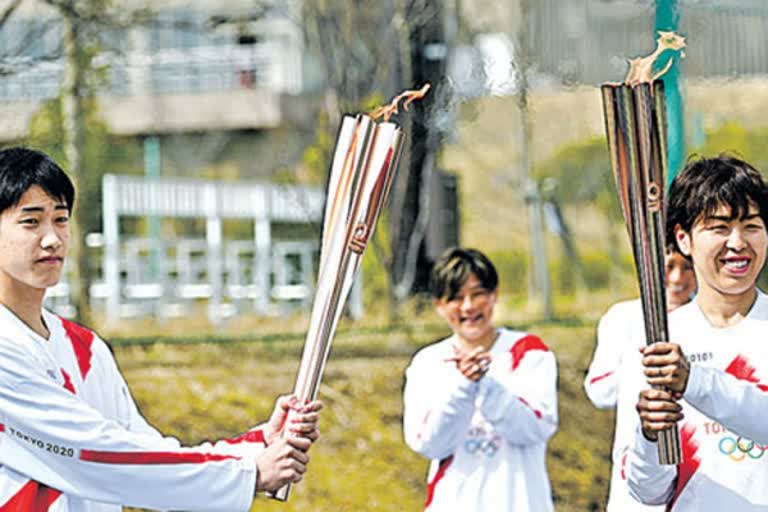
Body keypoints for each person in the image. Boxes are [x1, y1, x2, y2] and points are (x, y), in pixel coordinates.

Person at [0, 147, 322, 511]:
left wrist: (258, 442)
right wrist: (246, 473)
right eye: (31, 222)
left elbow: (144, 452)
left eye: (60, 220)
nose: (52, 239)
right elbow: (95, 454)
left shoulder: (85, 350)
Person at [626, 155, 768, 510]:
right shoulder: (660, 341)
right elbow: (649, 491)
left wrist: (694, 382)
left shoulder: (677, 363)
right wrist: (649, 434)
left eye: (751, 225)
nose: (737, 243)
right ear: (684, 239)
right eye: (719, 227)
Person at [402, 247, 558, 511]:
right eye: (456, 298)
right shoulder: (428, 363)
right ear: (439, 305)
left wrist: (485, 385)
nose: (468, 307)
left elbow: (535, 428)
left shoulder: (529, 353)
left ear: (494, 295)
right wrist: (464, 387)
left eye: (478, 295)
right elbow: (428, 442)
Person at [584, 249, 696, 511]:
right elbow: (599, 392)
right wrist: (640, 369)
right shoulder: (623, 318)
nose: (677, 277)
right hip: (640, 461)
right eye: (668, 266)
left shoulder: (711, 320)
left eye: (688, 267)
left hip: (698, 466)